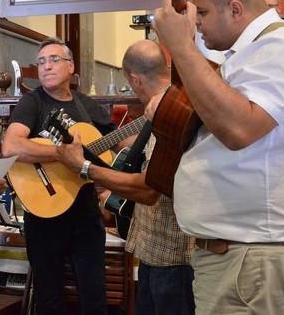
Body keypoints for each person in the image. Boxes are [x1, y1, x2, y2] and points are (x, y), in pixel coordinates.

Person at [145, 0, 284, 314]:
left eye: (201, 12)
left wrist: (182, 48)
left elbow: (239, 128)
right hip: (244, 256)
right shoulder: (248, 53)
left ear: (235, 8)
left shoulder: (283, 48)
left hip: (257, 259)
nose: (195, 24)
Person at [56, 39, 195, 315]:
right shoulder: (173, 103)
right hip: (155, 250)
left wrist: (85, 168)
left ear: (135, 78)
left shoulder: (168, 113)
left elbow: (149, 189)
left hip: (172, 254)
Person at [1, 38, 119, 314]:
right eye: (41, 62)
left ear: (71, 67)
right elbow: (11, 145)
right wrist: (62, 154)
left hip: (85, 217)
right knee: (48, 300)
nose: (46, 66)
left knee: (94, 299)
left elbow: (118, 141)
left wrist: (149, 130)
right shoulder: (32, 102)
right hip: (43, 219)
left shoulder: (87, 106)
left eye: (54, 60)